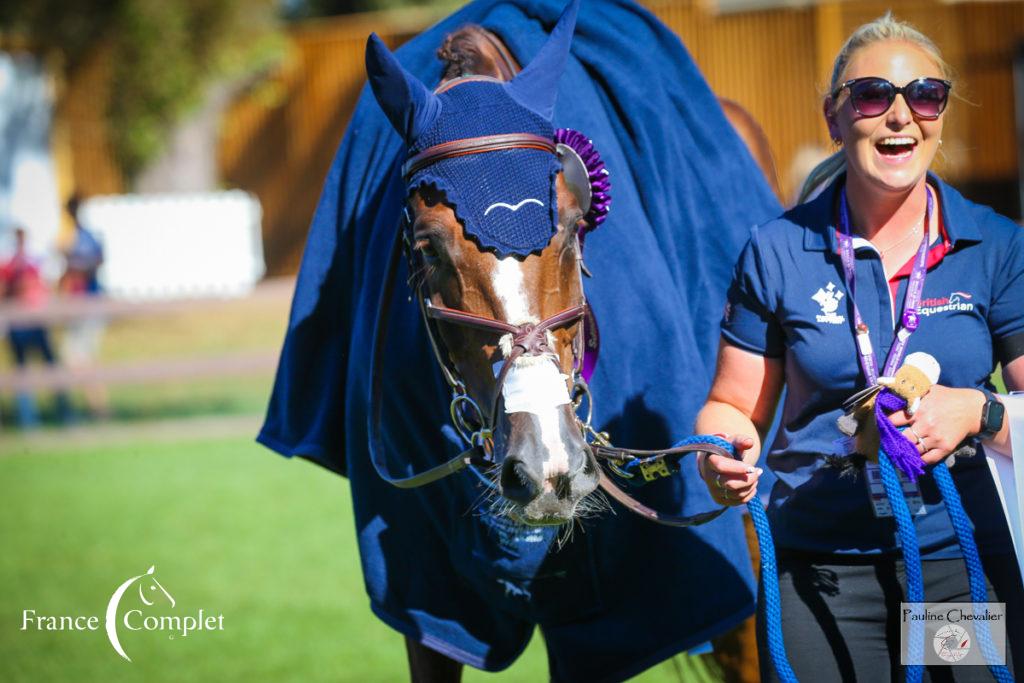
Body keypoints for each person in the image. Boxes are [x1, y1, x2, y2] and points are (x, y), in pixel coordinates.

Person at [695, 13, 1024, 681]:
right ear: (835, 117)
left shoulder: (995, 246)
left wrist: (979, 412)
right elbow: (732, 406)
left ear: (942, 113)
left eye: (924, 95)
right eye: (874, 94)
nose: (900, 115)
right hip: (817, 571)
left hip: (952, 567)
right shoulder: (777, 248)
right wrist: (721, 453)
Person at [1, 227, 71, 428]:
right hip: (19, 326)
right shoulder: (10, 265)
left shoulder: (33, 262)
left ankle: (64, 415)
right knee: (22, 373)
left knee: (52, 370)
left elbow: (44, 287)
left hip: (37, 324)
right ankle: (29, 421)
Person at [59, 194, 109, 418]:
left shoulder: (81, 238)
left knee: (80, 358)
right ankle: (94, 406)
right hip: (82, 304)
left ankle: (97, 407)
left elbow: (93, 264)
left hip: (86, 304)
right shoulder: (80, 237)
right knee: (78, 358)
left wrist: (71, 265)